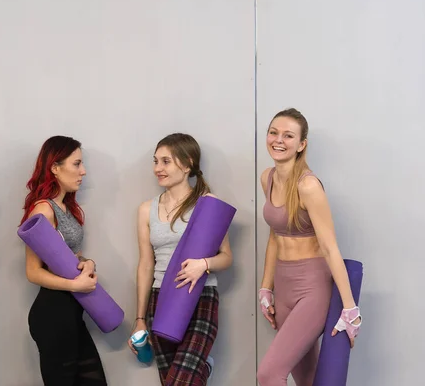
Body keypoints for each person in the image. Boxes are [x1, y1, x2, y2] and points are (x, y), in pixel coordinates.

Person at [256, 108, 362, 386]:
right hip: (284, 285)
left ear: (301, 145)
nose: (279, 140)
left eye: (288, 135)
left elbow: (329, 247)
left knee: (269, 374)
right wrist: (266, 287)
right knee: (307, 380)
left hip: (312, 288)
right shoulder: (267, 178)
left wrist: (350, 308)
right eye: (273, 132)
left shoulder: (309, 186)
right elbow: (274, 236)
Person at [128, 133, 233, 386]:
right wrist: (140, 319)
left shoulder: (207, 204)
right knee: (171, 381)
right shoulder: (146, 209)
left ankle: (201, 369)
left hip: (200, 296)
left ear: (187, 164)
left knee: (180, 383)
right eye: (155, 161)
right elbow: (145, 265)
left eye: (166, 162)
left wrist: (204, 264)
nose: (158, 169)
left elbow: (227, 257)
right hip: (161, 299)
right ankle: (202, 371)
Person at [20, 135, 107, 386]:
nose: (84, 171)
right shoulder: (43, 210)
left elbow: (70, 256)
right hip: (53, 314)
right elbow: (33, 271)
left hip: (72, 312)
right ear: (55, 168)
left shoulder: (66, 207)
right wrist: (75, 286)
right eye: (77, 164)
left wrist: (87, 263)